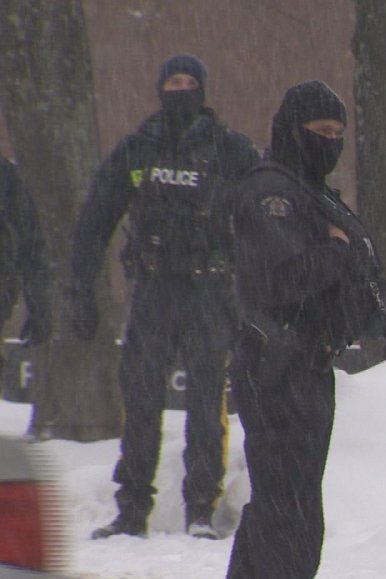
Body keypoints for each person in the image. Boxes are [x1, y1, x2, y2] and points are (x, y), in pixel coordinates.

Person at [210, 80, 377, 579]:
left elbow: (340, 286)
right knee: (290, 521)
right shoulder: (270, 195)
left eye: (338, 135)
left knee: (281, 515)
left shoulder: (315, 197)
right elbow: (280, 280)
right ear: (292, 130)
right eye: (319, 134)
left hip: (307, 367)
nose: (329, 144)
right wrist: (337, 255)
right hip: (274, 368)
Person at [70, 54, 259, 539]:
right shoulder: (138, 150)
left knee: (204, 403)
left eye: (190, 81)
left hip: (208, 291)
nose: (180, 89)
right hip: (152, 291)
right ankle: (131, 510)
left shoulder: (228, 149)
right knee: (141, 401)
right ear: (160, 88)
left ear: (203, 90)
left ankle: (200, 509)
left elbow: (263, 213)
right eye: (173, 81)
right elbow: (95, 219)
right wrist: (80, 289)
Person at [0, 155, 50, 348]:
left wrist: (39, 307)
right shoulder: (5, 176)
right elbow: (31, 246)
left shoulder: (5, 176)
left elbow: (31, 244)